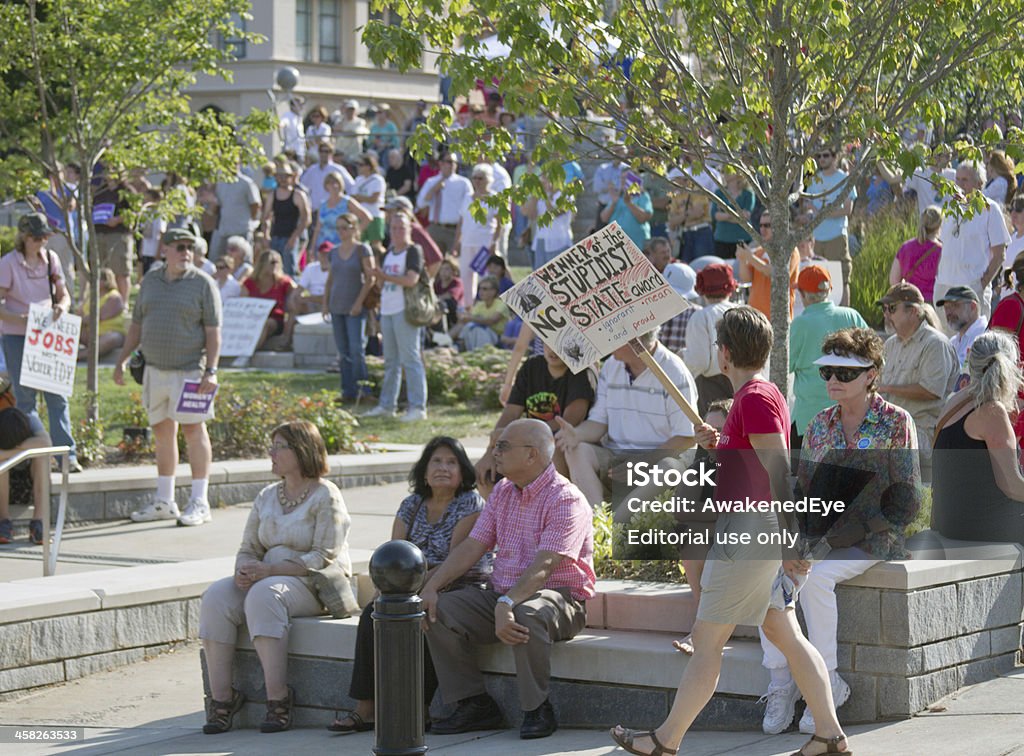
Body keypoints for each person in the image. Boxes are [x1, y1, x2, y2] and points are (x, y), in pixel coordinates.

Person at [610, 306, 853, 756]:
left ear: (723, 354)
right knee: (787, 635)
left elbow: (777, 471)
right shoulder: (760, 395)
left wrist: (791, 540)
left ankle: (665, 742)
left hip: (747, 533)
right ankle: (830, 735)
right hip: (753, 530)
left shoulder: (754, 399)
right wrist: (718, 441)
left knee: (706, 643)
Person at [759, 327, 920, 737]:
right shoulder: (817, 425)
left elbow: (907, 503)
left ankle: (826, 683)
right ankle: (781, 683)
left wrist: (856, 530)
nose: (832, 379)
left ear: (871, 375)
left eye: (844, 373)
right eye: (827, 371)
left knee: (817, 579)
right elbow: (803, 491)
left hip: (876, 538)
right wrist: (794, 540)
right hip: (823, 538)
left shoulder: (896, 423)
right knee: (766, 576)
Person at [421, 418, 595, 740]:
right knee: (439, 608)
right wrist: (431, 586)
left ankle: (537, 708)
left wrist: (507, 602)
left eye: (502, 446)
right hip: (503, 595)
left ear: (531, 455)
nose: (494, 453)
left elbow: (544, 567)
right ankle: (474, 705)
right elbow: (473, 545)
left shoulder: (566, 499)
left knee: (527, 613)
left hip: (560, 599)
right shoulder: (502, 491)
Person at [328, 436, 492, 733]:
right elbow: (395, 553)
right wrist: (389, 586)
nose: (443, 467)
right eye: (436, 461)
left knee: (423, 617)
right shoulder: (411, 504)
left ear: (463, 469)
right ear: (424, 470)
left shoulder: (470, 503)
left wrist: (407, 589)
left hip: (456, 586)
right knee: (372, 616)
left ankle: (419, 709)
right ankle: (366, 709)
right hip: (411, 587)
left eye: (451, 462)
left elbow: (454, 562)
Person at [199, 420, 352, 734]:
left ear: (302, 450)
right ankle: (223, 700)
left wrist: (269, 571)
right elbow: (248, 547)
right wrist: (244, 570)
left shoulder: (327, 495)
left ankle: (278, 700)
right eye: (272, 446)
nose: (271, 453)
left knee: (264, 595)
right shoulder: (267, 495)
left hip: (312, 584)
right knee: (215, 597)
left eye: (279, 446)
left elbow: (323, 556)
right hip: (267, 578)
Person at [113, 228, 221, 526]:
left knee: (193, 431)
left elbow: (213, 333)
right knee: (162, 433)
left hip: (190, 372)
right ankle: (165, 500)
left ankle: (200, 501)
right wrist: (121, 360)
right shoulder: (150, 281)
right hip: (154, 369)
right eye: (180, 246)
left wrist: (211, 370)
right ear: (165, 250)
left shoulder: (203, 284)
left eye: (190, 247)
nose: (186, 252)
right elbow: (136, 325)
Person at [554, 329, 697, 508]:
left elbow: (687, 437)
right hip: (616, 456)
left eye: (613, 336)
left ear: (635, 341)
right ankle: (597, 518)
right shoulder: (612, 365)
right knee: (576, 449)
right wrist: (576, 434)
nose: (607, 342)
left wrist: (644, 462)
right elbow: (599, 422)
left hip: (657, 458)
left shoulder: (674, 371)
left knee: (669, 467)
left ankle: (622, 521)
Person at [0, 212, 79, 472]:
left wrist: (62, 308)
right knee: (25, 399)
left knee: (57, 398)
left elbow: (63, 295)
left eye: (45, 236)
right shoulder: (8, 263)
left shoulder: (51, 260)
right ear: (24, 236)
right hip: (17, 335)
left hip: (48, 335)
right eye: (37, 236)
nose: (42, 241)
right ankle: (30, 458)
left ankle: (67, 456)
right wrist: (19, 318)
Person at [932, 331, 1024, 546]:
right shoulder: (992, 412)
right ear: (1011, 370)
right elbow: (1010, 485)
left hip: (951, 523)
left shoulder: (956, 401)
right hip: (981, 525)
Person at [476, 344, 596, 498]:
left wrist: (518, 435)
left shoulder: (582, 372)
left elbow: (568, 422)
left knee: (554, 449)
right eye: (549, 343)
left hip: (561, 445)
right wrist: (491, 450)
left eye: (560, 345)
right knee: (486, 474)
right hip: (525, 444)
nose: (553, 350)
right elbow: (511, 412)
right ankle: (500, 518)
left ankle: (557, 504)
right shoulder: (531, 366)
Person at [876, 282, 958, 482]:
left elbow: (931, 390)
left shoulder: (935, 344)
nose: (887, 314)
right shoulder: (890, 344)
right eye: (885, 308)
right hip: (892, 432)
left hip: (921, 432)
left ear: (913, 311)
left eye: (892, 308)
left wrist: (886, 388)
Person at [789, 265, 868, 450]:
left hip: (809, 419)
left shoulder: (800, 324)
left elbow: (785, 364)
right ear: (830, 290)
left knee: (804, 476)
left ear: (802, 294)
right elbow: (875, 356)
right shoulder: (852, 315)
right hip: (852, 416)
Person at [364, 210, 429, 422]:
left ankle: (418, 407)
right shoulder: (388, 253)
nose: (397, 232)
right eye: (393, 228)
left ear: (409, 229)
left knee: (411, 359)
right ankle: (387, 405)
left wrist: (383, 275)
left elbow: (411, 280)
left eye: (401, 227)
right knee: (390, 361)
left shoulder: (413, 251)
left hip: (405, 310)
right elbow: (382, 284)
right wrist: (376, 276)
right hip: (388, 309)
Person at [935, 159, 1010, 322]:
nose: (959, 184)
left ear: (979, 183)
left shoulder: (989, 208)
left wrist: (981, 284)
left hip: (971, 289)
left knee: (972, 342)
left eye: (965, 180)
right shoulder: (950, 208)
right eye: (957, 179)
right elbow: (944, 246)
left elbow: (999, 254)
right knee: (946, 344)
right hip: (944, 287)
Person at [323, 214, 376, 403]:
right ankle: (348, 391)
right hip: (337, 304)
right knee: (343, 351)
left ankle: (364, 390)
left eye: (345, 227)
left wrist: (358, 303)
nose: (341, 232)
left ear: (354, 228)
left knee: (356, 349)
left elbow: (370, 278)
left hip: (355, 306)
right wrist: (325, 303)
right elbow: (330, 279)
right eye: (338, 228)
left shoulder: (362, 249)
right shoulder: (334, 251)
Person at [683, 263, 738, 416]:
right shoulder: (746, 311)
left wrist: (683, 357)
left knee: (715, 436)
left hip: (712, 386)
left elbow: (699, 361)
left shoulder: (701, 317)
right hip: (745, 381)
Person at [804, 147, 856, 306]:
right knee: (817, 281)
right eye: (818, 156)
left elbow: (847, 210)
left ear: (834, 157)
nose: (821, 159)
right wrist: (809, 212)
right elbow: (807, 203)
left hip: (836, 236)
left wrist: (822, 214)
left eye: (825, 155)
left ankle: (845, 322)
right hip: (816, 238)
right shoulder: (814, 179)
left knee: (841, 279)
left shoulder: (844, 178)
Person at [0, 407, 52, 545]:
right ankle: (3, 521)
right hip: (5, 481)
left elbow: (46, 443)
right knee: (2, 461)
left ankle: (38, 522)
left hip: (29, 482)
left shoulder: (31, 421)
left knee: (41, 456)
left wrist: (9, 450)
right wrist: (23, 450)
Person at [454, 163, 500, 307]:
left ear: (488, 180)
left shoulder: (494, 198)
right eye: (474, 178)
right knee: (466, 277)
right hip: (467, 243)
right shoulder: (467, 198)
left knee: (484, 279)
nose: (477, 181)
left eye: (481, 178)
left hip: (484, 244)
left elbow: (500, 224)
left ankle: (485, 307)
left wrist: (494, 243)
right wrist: (456, 242)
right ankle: (468, 307)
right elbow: (461, 222)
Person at [737, 214, 800, 319]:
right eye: (760, 225)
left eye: (767, 225)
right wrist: (743, 259)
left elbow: (775, 273)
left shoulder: (791, 251)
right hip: (756, 316)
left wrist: (749, 257)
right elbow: (746, 278)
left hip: (778, 318)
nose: (762, 229)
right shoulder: (759, 252)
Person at [417, 151, 473, 254]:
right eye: (449, 161)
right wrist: (435, 188)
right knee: (433, 263)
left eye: (455, 162)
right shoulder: (432, 182)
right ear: (440, 163)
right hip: (435, 228)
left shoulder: (463, 183)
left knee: (455, 263)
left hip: (455, 230)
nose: (453, 165)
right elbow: (421, 203)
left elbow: (470, 206)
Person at [261, 164, 311, 277]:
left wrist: (295, 237)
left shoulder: (298, 195)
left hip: (290, 238)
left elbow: (306, 218)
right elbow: (266, 217)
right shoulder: (272, 195)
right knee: (272, 270)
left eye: (286, 176)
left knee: (289, 271)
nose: (283, 180)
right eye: (280, 176)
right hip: (275, 236)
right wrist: (265, 235)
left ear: (291, 177)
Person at [243, 250, 298, 352]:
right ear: (263, 263)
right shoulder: (250, 283)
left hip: (274, 319)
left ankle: (248, 351)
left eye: (278, 262)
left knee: (266, 324)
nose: (275, 265)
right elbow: (242, 302)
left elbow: (297, 291)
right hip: (252, 318)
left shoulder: (283, 282)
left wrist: (292, 298)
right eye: (272, 262)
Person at [889, 205, 943, 305]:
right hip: (932, 303)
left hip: (908, 302)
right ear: (940, 225)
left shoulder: (905, 247)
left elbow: (894, 280)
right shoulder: (941, 251)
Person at [308, 171, 372, 252]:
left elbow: (367, 217)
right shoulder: (323, 205)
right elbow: (318, 228)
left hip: (342, 246)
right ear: (326, 186)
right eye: (330, 183)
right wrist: (312, 248)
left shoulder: (347, 202)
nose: (334, 186)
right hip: (324, 246)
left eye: (336, 182)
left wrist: (355, 233)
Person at [209, 167, 262, 261]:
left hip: (242, 229)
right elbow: (218, 206)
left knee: (244, 261)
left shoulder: (246, 182)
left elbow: (255, 204)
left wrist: (250, 221)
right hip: (224, 230)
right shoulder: (220, 182)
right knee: (219, 260)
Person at [524, 174, 574, 269]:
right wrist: (535, 195)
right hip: (541, 240)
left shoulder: (566, 195)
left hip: (559, 242)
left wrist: (544, 195)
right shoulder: (541, 196)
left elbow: (553, 213)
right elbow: (530, 214)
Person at [299, 141, 354, 227]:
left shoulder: (338, 169)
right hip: (315, 210)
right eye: (322, 151)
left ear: (332, 153)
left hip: (333, 211)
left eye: (327, 151)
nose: (324, 154)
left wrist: (342, 204)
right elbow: (302, 187)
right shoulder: (312, 170)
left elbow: (351, 188)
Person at [77, 267, 127, 361]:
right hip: (90, 334)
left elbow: (98, 317)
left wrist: (83, 320)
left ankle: (81, 355)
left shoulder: (114, 297)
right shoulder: (90, 296)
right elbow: (79, 314)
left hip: (110, 332)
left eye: (98, 279)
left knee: (112, 338)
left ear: (106, 281)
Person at [449, 275, 509, 351]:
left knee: (476, 328)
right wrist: (463, 317)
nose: (480, 291)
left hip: (497, 337)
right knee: (468, 326)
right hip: (481, 333)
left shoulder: (501, 304)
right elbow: (470, 319)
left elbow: (491, 321)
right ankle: (446, 341)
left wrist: (470, 318)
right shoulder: (479, 304)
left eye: (484, 289)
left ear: (493, 291)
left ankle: (453, 344)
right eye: (479, 288)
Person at [601, 169, 654, 250]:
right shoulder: (617, 196)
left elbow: (644, 218)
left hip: (638, 246)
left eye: (626, 178)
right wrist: (614, 203)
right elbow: (604, 218)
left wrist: (629, 203)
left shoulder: (643, 196)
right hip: (617, 246)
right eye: (622, 178)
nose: (623, 181)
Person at [937, 285, 987, 368]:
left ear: (972, 307)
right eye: (946, 307)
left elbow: (966, 373)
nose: (949, 312)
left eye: (955, 305)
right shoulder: (954, 341)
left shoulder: (984, 336)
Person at [710, 169, 755, 259]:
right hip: (721, 238)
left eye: (728, 170)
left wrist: (725, 214)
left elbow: (745, 216)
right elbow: (715, 215)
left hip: (742, 239)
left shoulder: (748, 193)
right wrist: (736, 215)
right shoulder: (719, 193)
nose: (724, 173)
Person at [350, 153, 388, 254]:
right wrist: (362, 198)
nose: (358, 167)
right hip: (360, 217)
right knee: (359, 244)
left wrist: (360, 198)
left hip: (375, 215)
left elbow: (373, 198)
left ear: (368, 166)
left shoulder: (378, 180)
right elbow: (353, 198)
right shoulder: (358, 180)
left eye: (361, 165)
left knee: (376, 245)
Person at [291, 242, 333, 315]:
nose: (325, 257)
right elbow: (299, 288)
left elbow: (330, 297)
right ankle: (288, 326)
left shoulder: (337, 270)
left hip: (329, 304)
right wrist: (294, 298)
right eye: (323, 254)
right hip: (311, 303)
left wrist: (308, 298)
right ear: (318, 255)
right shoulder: (310, 268)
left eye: (327, 254)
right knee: (296, 306)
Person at [433, 256, 464, 331]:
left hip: (455, 314)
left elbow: (450, 295)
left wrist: (436, 299)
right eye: (442, 269)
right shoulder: (437, 284)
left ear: (454, 271)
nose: (443, 272)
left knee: (447, 303)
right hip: (438, 312)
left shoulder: (457, 283)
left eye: (447, 269)